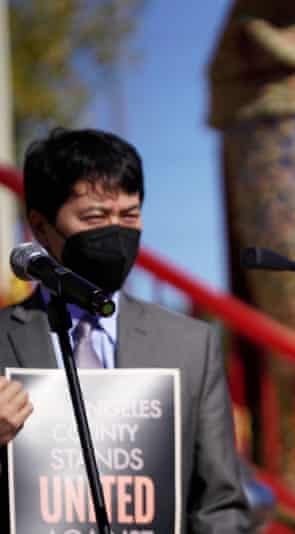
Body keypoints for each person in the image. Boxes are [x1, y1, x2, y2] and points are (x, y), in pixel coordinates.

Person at [0, 128, 250, 532]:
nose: (115, 231)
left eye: (129, 215)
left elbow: (219, 503)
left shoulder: (189, 345)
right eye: (95, 217)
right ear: (41, 227)